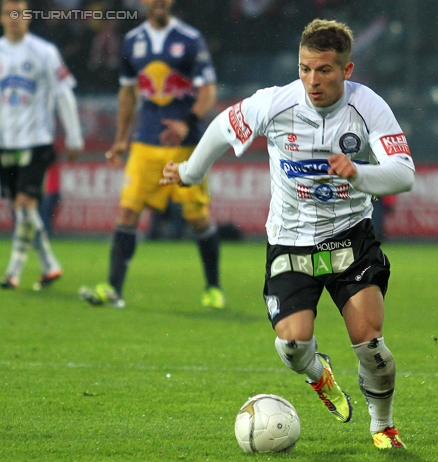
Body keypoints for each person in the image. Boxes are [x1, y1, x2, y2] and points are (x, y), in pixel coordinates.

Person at [161, 19, 414, 449]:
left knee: (370, 343)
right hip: (290, 240)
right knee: (294, 344)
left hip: (350, 237)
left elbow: (403, 175)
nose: (312, 80)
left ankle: (382, 425)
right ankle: (319, 373)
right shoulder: (275, 104)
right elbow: (224, 126)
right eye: (304, 68)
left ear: (347, 71)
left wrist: (360, 172)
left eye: (324, 70)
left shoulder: (369, 107)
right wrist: (189, 171)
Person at [79, 0, 225, 309]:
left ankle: (213, 287)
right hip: (145, 143)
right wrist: (121, 139)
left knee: (197, 218)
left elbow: (208, 91)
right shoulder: (132, 41)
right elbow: (128, 93)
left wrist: (187, 123)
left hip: (184, 147)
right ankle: (113, 288)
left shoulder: (189, 39)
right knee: (127, 212)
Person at [0, 0, 83, 290]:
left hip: (37, 141)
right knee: (21, 210)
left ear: (28, 18)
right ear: (1, 18)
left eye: (19, 14)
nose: (14, 19)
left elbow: (64, 94)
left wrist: (74, 136)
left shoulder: (45, 51)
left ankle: (12, 272)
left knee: (25, 203)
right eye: (9, 14)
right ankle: (49, 265)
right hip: (5, 144)